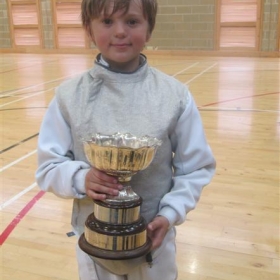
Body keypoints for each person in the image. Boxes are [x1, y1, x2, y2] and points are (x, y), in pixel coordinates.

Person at [36, 0, 216, 279]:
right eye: (107, 22)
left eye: (132, 21)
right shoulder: (69, 97)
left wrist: (169, 215)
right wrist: (81, 179)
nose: (120, 31)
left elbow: (195, 168)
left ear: (149, 28)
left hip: (154, 242)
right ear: (89, 28)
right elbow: (48, 168)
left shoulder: (175, 96)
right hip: (95, 245)